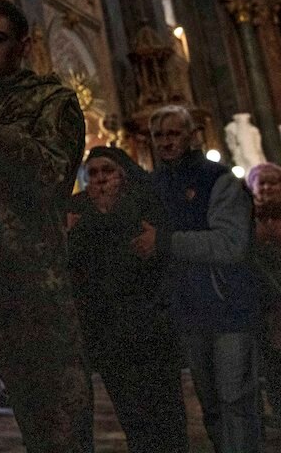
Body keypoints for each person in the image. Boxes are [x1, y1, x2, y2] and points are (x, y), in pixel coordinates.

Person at [0, 0, 91, 452]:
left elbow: (51, 175)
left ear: (23, 46)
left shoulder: (50, 102)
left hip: (31, 293)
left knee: (56, 432)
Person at [136, 104, 260, 452]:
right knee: (211, 404)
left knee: (235, 399)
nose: (166, 142)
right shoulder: (153, 184)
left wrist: (166, 242)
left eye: (174, 133)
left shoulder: (216, 179)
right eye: (159, 135)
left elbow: (230, 243)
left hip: (227, 305)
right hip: (188, 309)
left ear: (191, 136)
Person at [69, 147, 188, 452]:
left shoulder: (144, 204)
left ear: (121, 175)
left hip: (152, 328)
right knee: (133, 418)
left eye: (106, 171)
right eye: (92, 173)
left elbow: (157, 255)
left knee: (168, 417)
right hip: (109, 334)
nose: (100, 180)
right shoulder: (77, 209)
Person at [249, 162, 281, 426]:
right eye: (262, 182)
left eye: (274, 182)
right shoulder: (247, 221)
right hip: (263, 305)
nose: (268, 187)